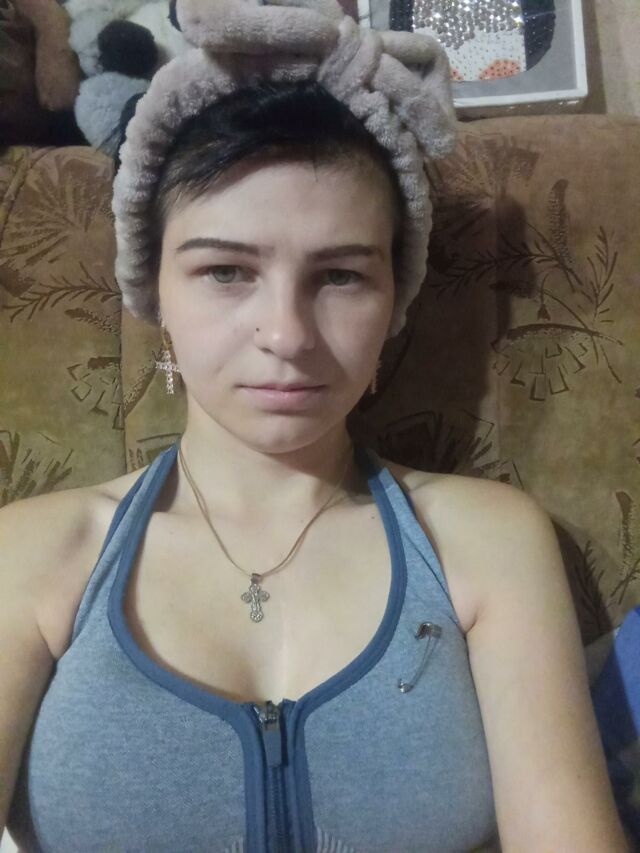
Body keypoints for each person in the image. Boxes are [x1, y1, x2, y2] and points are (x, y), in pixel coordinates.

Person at [0, 0, 631, 851]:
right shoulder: (33, 553)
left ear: (396, 302)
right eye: (226, 271)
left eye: (340, 277)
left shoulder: (487, 542)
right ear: (155, 295)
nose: (288, 335)